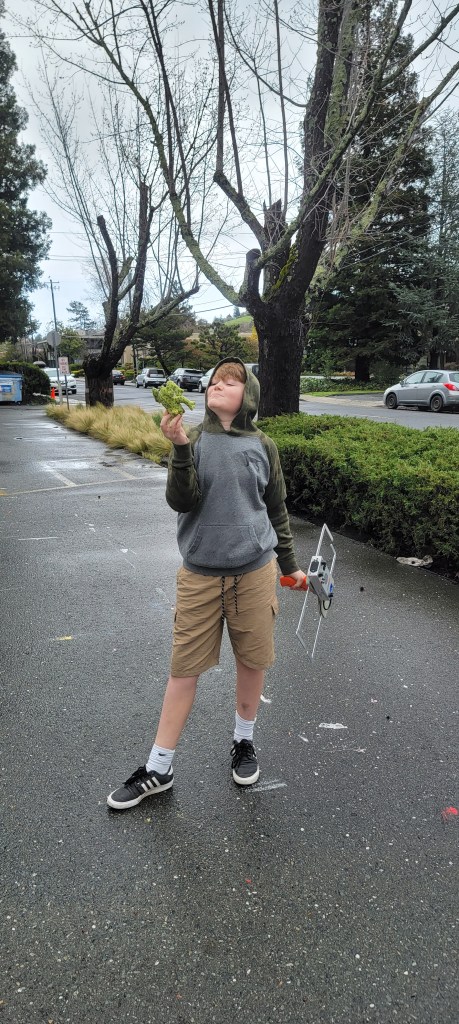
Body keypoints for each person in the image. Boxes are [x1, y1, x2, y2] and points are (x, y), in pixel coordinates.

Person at [107, 358, 306, 810]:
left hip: (254, 572)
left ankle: (243, 741)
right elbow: (181, 500)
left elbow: (276, 510)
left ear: (248, 395)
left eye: (230, 382)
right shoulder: (193, 439)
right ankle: (159, 766)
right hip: (199, 575)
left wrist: (291, 566)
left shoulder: (264, 445)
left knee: (252, 661)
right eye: (214, 380)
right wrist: (179, 447)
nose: (217, 385)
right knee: (184, 670)